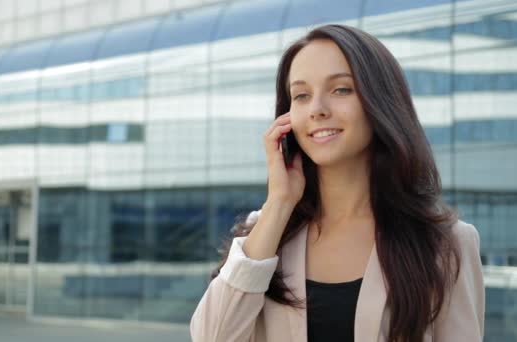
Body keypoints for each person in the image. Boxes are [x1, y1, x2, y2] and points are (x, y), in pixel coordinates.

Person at [190, 24, 485, 342]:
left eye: (341, 89)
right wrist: (279, 203)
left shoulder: (444, 244)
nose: (317, 109)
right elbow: (211, 337)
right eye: (301, 96)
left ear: (380, 103)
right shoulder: (265, 233)